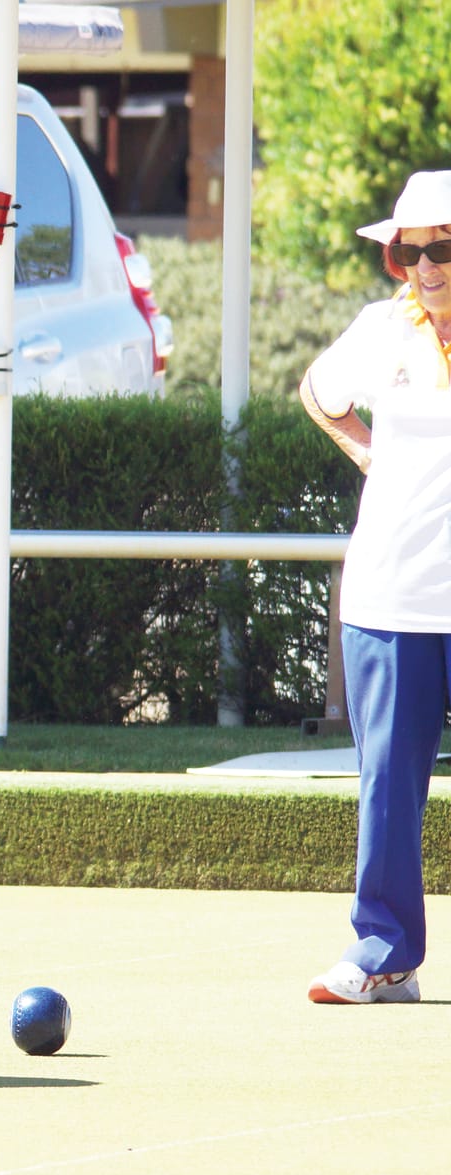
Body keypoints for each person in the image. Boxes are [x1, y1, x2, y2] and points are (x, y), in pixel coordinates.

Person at [298, 169, 451, 1004]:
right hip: (390, 599)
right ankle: (385, 952)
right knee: (388, 787)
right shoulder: (377, 331)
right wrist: (366, 452)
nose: (424, 266)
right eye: (408, 251)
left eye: (442, 248)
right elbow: (319, 394)